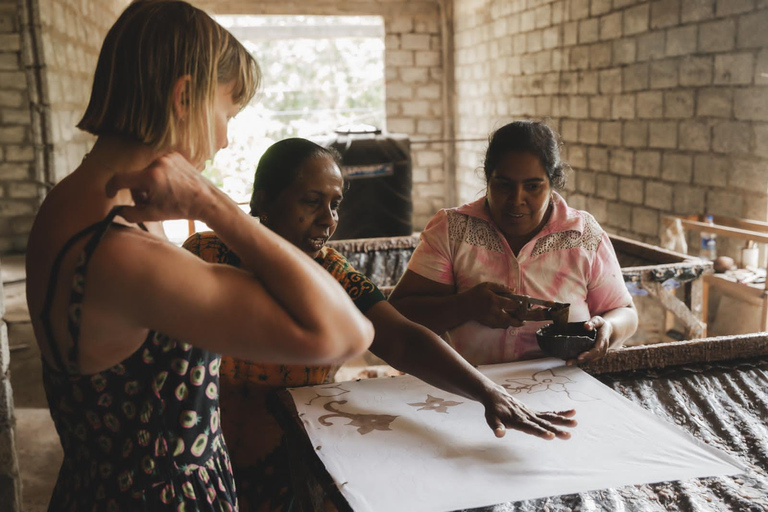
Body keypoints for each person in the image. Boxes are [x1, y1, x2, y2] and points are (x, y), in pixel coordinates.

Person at [25, 3, 374, 511]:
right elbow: (346, 333)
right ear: (184, 97)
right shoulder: (123, 252)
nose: (225, 139)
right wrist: (214, 204)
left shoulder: (73, 201)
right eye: (227, 113)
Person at [184, 137, 578, 511]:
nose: (328, 220)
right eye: (312, 202)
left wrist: (487, 392)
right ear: (264, 200)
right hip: (202, 456)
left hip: (291, 464)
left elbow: (402, 339)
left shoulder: (334, 276)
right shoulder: (205, 255)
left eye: (335, 205)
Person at [389, 120, 638, 366]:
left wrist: (609, 329)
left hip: (562, 387)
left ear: (552, 184)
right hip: (465, 387)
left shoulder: (583, 235)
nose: (517, 199)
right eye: (504, 185)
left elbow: (625, 311)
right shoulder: (453, 231)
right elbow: (398, 316)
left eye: (533, 186)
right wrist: (464, 306)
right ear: (487, 179)